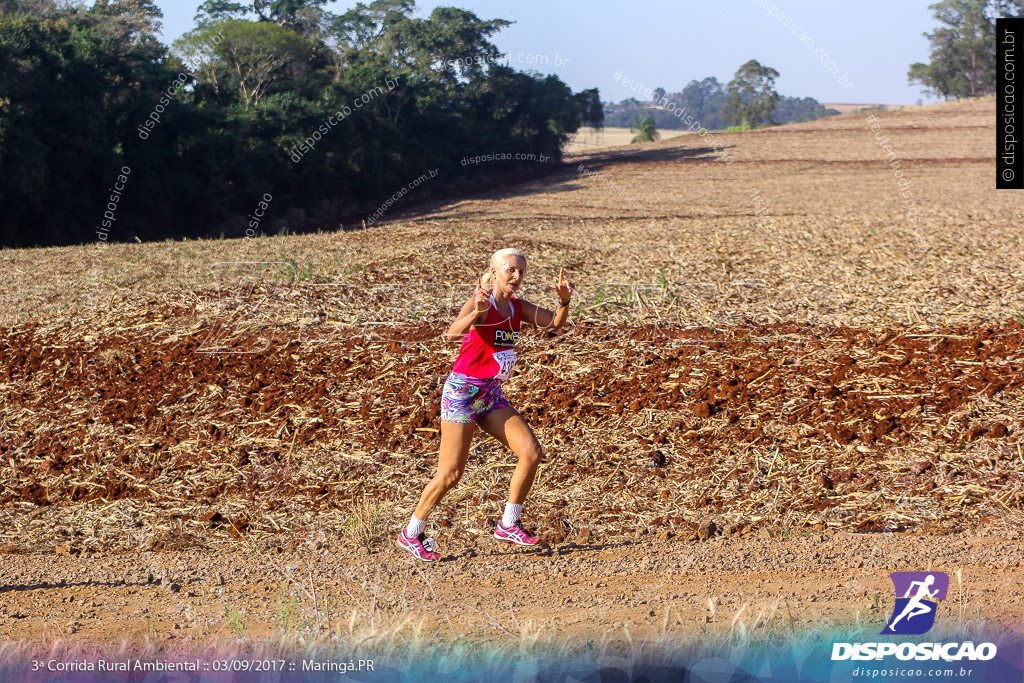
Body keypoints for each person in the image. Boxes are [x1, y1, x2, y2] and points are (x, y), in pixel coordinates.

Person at [396, 248, 575, 562]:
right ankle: (412, 532)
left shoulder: (518, 308)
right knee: (451, 473)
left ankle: (508, 523)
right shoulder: (483, 300)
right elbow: (452, 334)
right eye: (510, 270)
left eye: (521, 272)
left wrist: (563, 300)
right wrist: (476, 312)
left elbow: (553, 325)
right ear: (495, 273)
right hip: (463, 391)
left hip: (491, 394)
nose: (516, 277)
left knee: (531, 452)